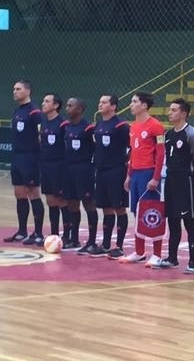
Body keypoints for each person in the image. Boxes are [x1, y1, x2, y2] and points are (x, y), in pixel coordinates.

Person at [159, 98, 194, 271]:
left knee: (189, 221)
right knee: (173, 220)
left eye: (174, 110)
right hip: (170, 181)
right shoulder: (169, 134)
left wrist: (192, 178)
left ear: (183, 113)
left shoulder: (191, 134)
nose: (170, 112)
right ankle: (172, 258)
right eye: (170, 109)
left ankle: (193, 261)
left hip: (185, 182)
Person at [122, 92, 166, 264]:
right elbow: (133, 153)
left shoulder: (155, 126)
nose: (131, 105)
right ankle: (139, 251)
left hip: (149, 174)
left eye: (134, 102)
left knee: (152, 212)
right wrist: (128, 175)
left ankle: (157, 254)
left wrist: (156, 177)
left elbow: (161, 154)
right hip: (136, 174)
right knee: (137, 212)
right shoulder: (133, 127)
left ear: (144, 106)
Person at [3, 80, 46, 246]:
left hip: (31, 158)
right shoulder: (17, 110)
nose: (14, 91)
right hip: (17, 157)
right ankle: (22, 231)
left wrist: (37, 157)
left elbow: (41, 134)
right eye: (13, 89)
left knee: (33, 193)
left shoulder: (34, 112)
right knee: (19, 193)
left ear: (27, 91)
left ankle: (38, 233)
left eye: (18, 89)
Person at [90, 95, 130, 259]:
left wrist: (125, 162)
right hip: (101, 171)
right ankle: (106, 244)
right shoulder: (99, 125)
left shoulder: (121, 126)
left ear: (113, 107)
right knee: (106, 208)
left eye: (104, 102)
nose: (100, 104)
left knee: (119, 208)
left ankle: (119, 246)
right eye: (99, 102)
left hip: (116, 171)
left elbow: (132, 147)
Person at [61, 98, 99, 254]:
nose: (67, 108)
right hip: (69, 169)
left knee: (88, 203)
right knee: (71, 203)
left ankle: (91, 242)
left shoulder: (89, 128)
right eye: (67, 105)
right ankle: (73, 238)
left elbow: (97, 148)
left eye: (70, 106)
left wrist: (93, 167)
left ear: (80, 109)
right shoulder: (67, 127)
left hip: (84, 169)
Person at [38, 94, 69, 247]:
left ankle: (68, 234)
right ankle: (54, 234)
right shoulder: (44, 122)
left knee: (62, 200)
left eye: (47, 101)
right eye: (44, 101)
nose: (43, 103)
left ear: (56, 105)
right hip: (46, 165)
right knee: (50, 201)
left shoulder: (63, 124)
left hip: (59, 166)